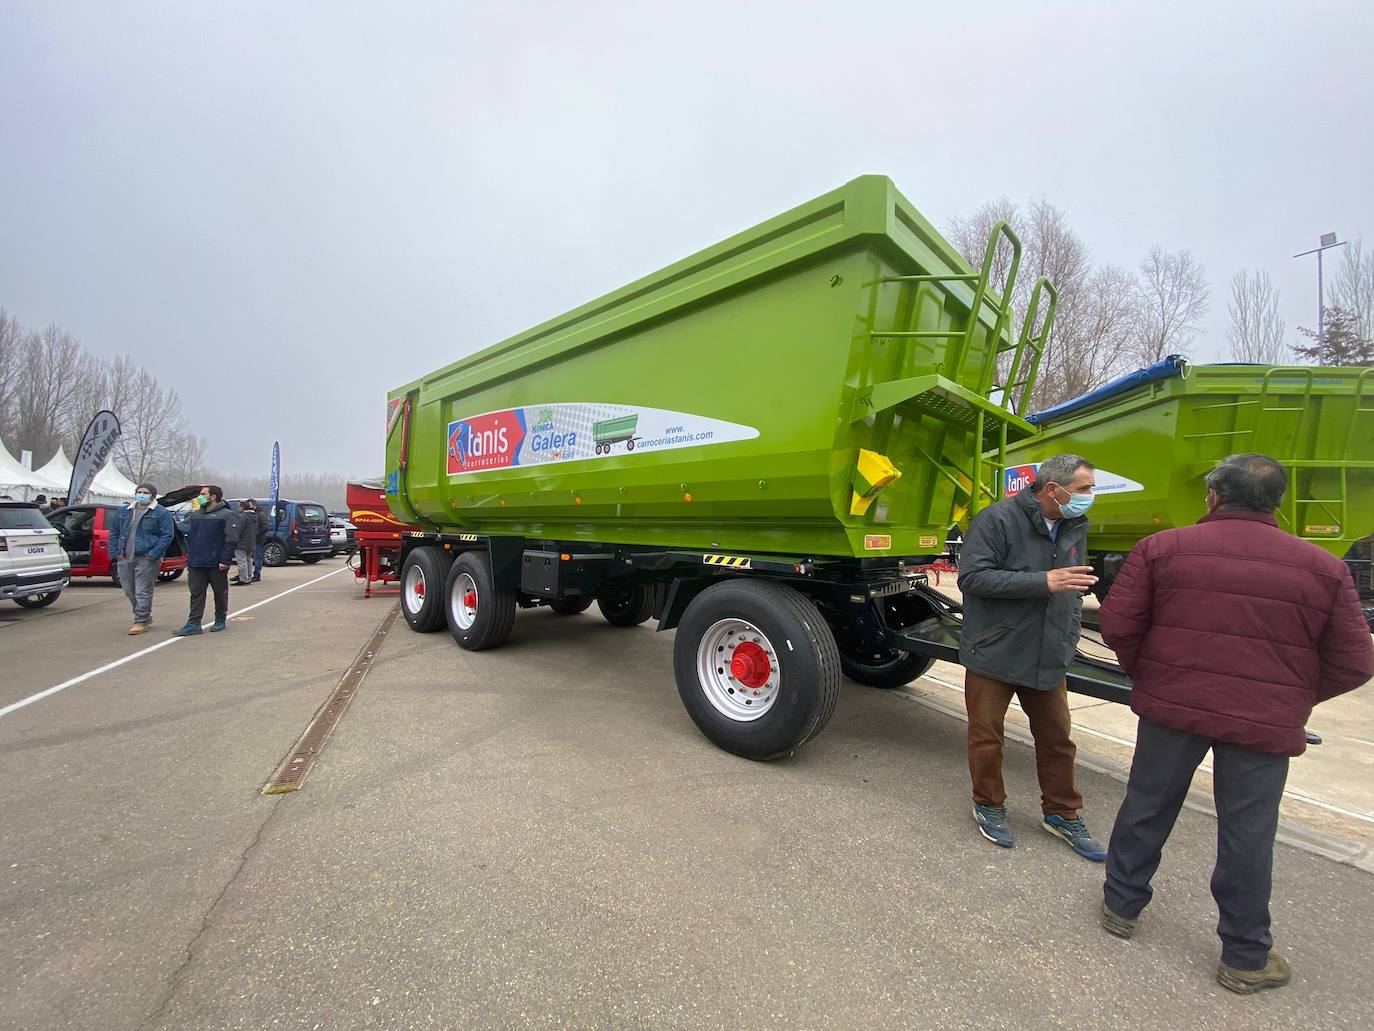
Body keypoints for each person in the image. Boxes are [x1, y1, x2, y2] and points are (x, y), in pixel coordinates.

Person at [1098, 454, 1374, 995]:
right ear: (1279, 502)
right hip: (1263, 723)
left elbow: (1117, 625)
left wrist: (1153, 676)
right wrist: (1292, 697)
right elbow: (1355, 662)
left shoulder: (1161, 549)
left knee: (1147, 804)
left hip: (1173, 709)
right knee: (1248, 831)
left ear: (1213, 497)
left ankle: (1120, 906)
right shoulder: (1324, 567)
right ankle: (1246, 957)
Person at [957, 453, 1106, 859]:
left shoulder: (1074, 525)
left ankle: (1062, 813)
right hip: (995, 648)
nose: (1090, 496)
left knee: (1057, 739)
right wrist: (1044, 581)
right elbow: (971, 577)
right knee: (987, 736)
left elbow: (1070, 587)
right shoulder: (998, 519)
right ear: (1053, 490)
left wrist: (1069, 630)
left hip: (1048, 651)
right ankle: (988, 805)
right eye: (1083, 488)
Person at [106, 482, 175, 635]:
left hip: (146, 558)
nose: (141, 495)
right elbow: (115, 532)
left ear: (153, 495)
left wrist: (153, 554)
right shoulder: (125, 511)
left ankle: (140, 620)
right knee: (129, 590)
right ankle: (143, 614)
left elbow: (167, 535)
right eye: (139, 492)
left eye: (145, 492)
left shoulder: (161, 513)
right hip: (124, 556)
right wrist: (115, 552)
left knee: (142, 591)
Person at [174, 485, 239, 636]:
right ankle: (194, 623)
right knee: (196, 593)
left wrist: (225, 560)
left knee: (219, 592)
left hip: (216, 563)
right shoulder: (196, 515)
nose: (200, 496)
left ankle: (220, 619)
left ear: (214, 496)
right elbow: (182, 529)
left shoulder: (227, 515)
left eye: (203, 494)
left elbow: (231, 539)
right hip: (196, 562)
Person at [234, 499, 259, 585]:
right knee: (249, 560)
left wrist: (234, 538)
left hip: (242, 542)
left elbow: (239, 530)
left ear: (242, 508)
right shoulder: (254, 516)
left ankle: (243, 579)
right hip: (251, 541)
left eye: (239, 507)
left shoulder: (243, 517)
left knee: (241, 561)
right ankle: (248, 577)